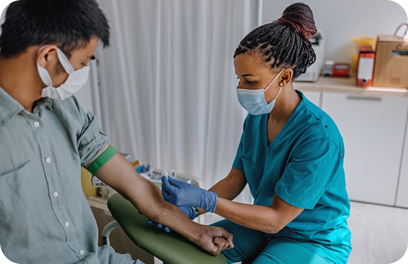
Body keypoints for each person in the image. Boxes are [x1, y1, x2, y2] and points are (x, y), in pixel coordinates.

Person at [0, 0, 233, 263]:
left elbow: (136, 188)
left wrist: (197, 231)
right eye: (82, 63)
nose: (82, 73)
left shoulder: (65, 109)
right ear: (48, 57)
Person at [161, 2, 351, 264]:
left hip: (312, 238)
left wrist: (207, 200)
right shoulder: (257, 119)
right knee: (189, 247)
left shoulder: (318, 137)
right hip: (263, 225)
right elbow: (233, 181)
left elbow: (276, 219)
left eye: (250, 81)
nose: (241, 87)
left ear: (284, 78)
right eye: (239, 79)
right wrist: (191, 208)